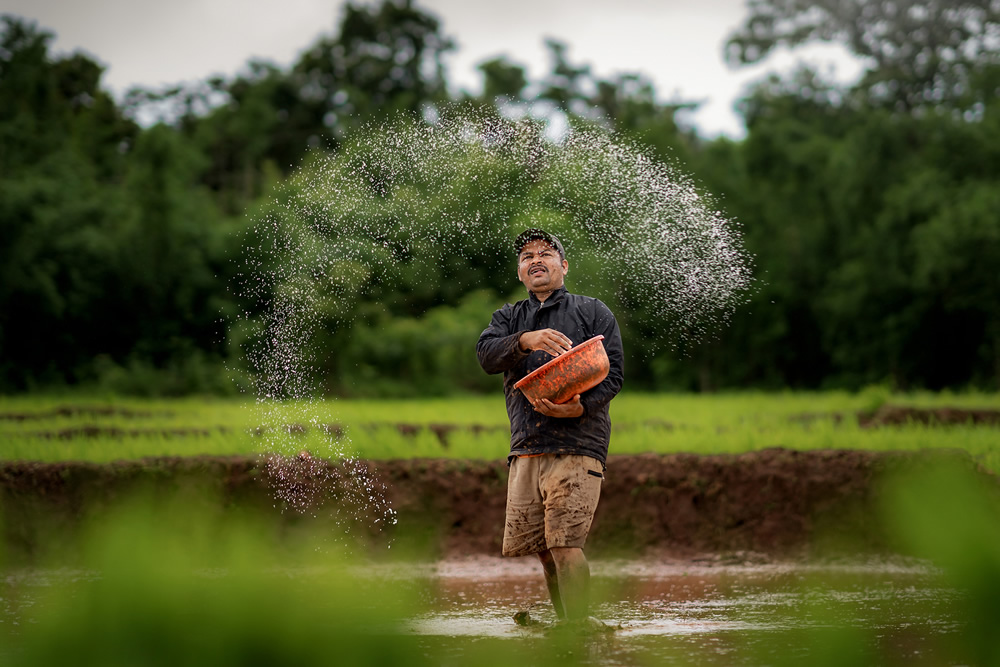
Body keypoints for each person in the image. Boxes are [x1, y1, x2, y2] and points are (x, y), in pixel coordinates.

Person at [476, 228, 624, 624]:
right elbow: (487, 357)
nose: (536, 260)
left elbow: (613, 377)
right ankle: (568, 624)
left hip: (578, 443)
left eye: (546, 253)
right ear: (520, 272)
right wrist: (526, 340)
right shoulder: (509, 318)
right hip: (527, 445)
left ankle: (578, 629)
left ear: (564, 265)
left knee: (564, 544)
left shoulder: (593, 312)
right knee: (543, 547)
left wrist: (577, 410)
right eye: (526, 256)